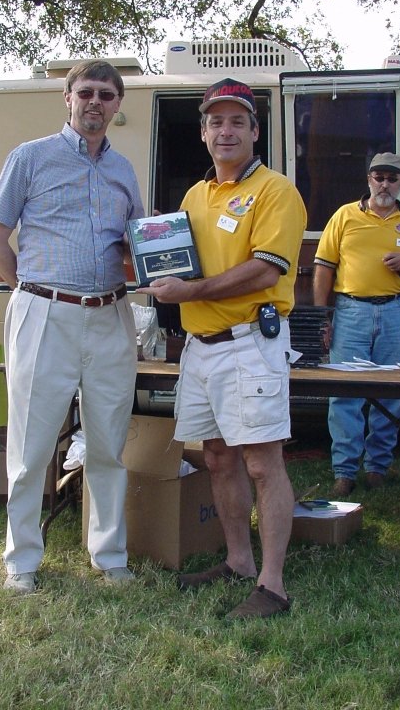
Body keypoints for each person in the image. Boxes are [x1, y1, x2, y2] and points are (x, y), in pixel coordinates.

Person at [138, 78, 306, 620]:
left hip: (250, 344)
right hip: (201, 347)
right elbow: (179, 264)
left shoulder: (277, 190)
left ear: (255, 132)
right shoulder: (194, 196)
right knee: (216, 457)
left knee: (262, 461)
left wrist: (189, 291)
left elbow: (265, 269)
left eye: (238, 121)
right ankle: (237, 561)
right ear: (205, 132)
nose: (226, 130)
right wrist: (154, 273)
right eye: (216, 121)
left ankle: (272, 585)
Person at [0, 59, 144, 595]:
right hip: (42, 311)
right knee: (30, 446)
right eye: (86, 92)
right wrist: (28, 293)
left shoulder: (125, 172)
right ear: (67, 99)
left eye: (106, 94)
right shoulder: (29, 158)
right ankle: (22, 562)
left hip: (111, 315)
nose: (95, 102)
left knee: (107, 444)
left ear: (118, 105)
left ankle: (110, 555)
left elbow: (134, 246)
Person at [313, 152, 400, 497]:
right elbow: (324, 268)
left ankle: (378, 467)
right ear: (368, 179)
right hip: (351, 311)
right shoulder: (344, 216)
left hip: (395, 312)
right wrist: (324, 317)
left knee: (390, 392)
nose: (384, 183)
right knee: (345, 393)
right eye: (378, 177)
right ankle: (344, 471)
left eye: (391, 178)